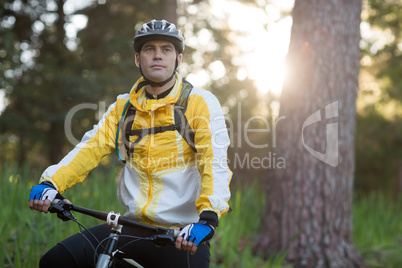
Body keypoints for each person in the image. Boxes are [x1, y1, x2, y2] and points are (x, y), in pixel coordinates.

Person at [28, 19, 232, 267]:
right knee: (55, 261)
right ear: (138, 59)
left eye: (166, 49)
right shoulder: (123, 108)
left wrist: (208, 218)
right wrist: (52, 181)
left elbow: (215, 162)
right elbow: (90, 147)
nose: (158, 56)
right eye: (149, 49)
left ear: (178, 59)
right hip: (129, 227)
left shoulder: (199, 102)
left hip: (183, 235)